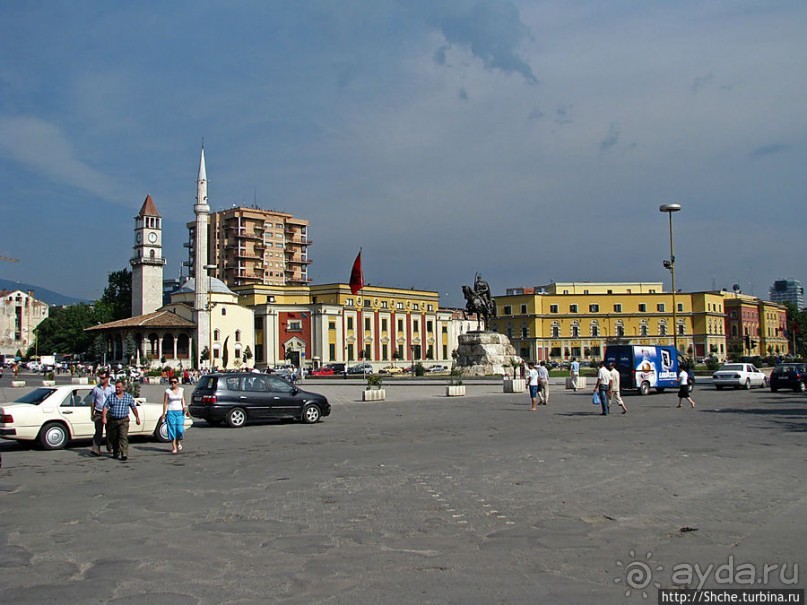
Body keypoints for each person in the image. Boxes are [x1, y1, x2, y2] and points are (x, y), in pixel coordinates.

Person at [102, 380, 141, 461]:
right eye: (116, 387)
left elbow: (133, 407)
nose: (117, 389)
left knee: (123, 436)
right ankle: (116, 452)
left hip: (124, 420)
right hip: (113, 420)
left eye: (119, 387)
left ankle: (124, 453)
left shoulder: (128, 397)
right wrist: (104, 417)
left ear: (123, 388)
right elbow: (105, 407)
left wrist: (137, 417)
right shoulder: (111, 397)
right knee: (114, 437)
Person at [89, 372, 115, 456]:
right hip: (99, 412)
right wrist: (92, 413)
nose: (101, 380)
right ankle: (96, 449)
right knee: (98, 431)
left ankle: (110, 447)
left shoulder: (112, 388)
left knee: (110, 431)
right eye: (100, 378)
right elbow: (93, 401)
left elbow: (115, 400)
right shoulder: (96, 389)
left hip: (109, 412)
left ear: (107, 378)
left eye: (103, 378)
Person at [162, 377, 188, 454]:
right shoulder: (168, 391)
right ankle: (174, 447)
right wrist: (164, 413)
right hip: (171, 411)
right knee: (171, 429)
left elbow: (183, 400)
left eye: (174, 382)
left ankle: (178, 441)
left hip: (180, 412)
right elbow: (165, 402)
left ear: (178, 383)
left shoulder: (181, 390)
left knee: (179, 429)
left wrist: (185, 408)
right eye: (171, 382)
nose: (173, 383)